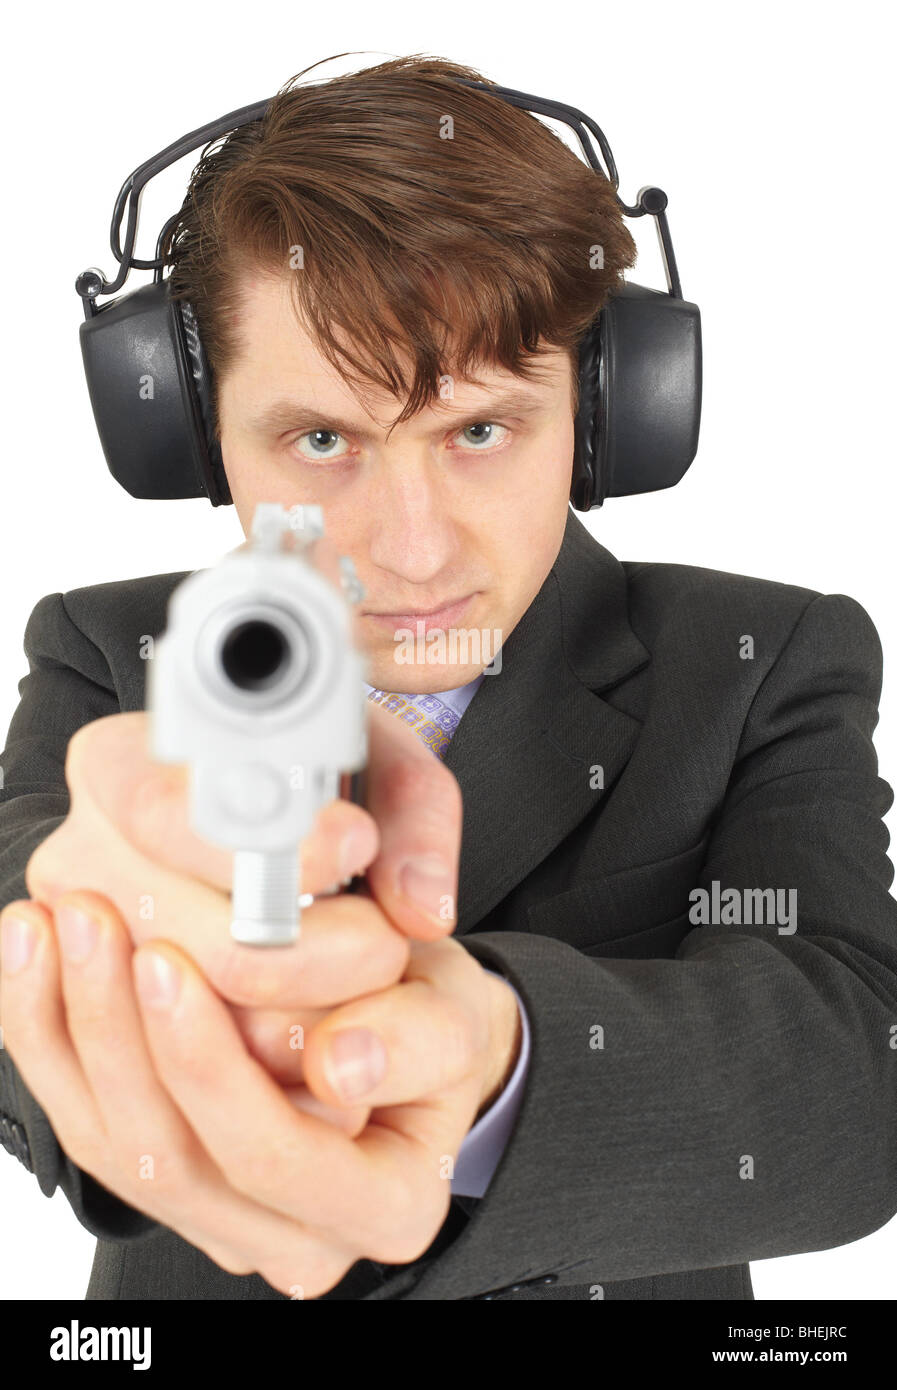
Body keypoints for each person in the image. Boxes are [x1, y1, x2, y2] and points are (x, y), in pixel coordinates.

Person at [2, 54, 896, 1302]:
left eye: (480, 429)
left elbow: (856, 1080)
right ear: (197, 436)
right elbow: (20, 938)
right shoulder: (109, 659)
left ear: (602, 410)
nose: (410, 551)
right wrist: (85, 952)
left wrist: (492, 1059)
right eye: (322, 440)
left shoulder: (764, 663)